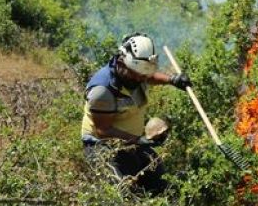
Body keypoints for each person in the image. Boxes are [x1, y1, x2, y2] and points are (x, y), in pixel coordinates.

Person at [81, 33, 190, 195]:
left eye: (142, 75)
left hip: (133, 143)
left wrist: (172, 80)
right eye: (135, 74)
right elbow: (103, 131)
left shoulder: (135, 73)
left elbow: (149, 76)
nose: (140, 79)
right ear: (121, 62)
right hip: (103, 148)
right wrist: (140, 140)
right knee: (121, 195)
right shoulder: (102, 91)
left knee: (161, 187)